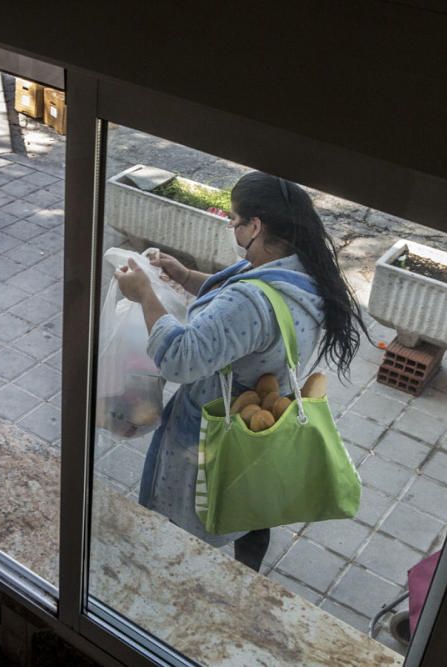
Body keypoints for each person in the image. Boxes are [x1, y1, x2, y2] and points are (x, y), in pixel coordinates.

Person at [114, 171, 368, 571]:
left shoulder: (251, 300)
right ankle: (247, 571)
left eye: (234, 220)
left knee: (189, 523)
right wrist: (184, 276)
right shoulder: (304, 273)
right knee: (250, 507)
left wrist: (145, 294)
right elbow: (239, 323)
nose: (231, 227)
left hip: (215, 434)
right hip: (261, 422)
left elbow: (182, 358)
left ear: (256, 226)